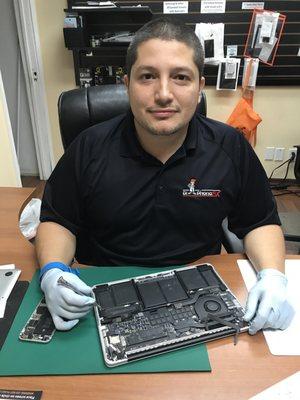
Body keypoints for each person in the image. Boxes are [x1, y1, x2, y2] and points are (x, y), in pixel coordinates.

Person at [36, 17, 294, 334]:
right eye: (147, 76)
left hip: (199, 292)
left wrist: (272, 276)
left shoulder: (230, 146)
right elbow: (57, 220)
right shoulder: (89, 147)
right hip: (101, 292)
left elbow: (259, 222)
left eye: (181, 77)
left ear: (200, 86)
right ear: (126, 82)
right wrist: (53, 271)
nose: (163, 93)